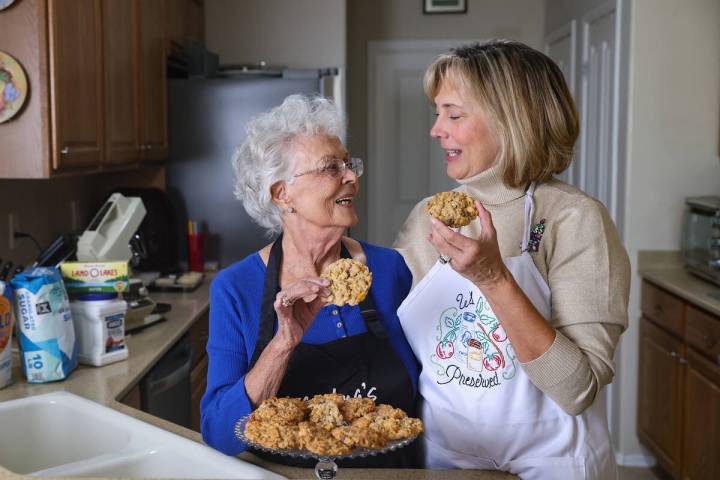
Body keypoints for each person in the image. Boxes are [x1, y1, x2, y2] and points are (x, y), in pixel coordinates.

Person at [394, 40, 630, 479]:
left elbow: (577, 389)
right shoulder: (428, 218)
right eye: (437, 114)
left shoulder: (573, 219)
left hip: (554, 463)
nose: (436, 130)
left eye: (455, 115)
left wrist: (494, 278)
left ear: (510, 121)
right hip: (448, 460)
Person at [201, 94, 420, 467]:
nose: (351, 176)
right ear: (282, 193)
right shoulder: (235, 289)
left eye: (349, 165)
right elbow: (219, 432)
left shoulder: (389, 269)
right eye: (330, 168)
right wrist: (283, 344)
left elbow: (426, 396)